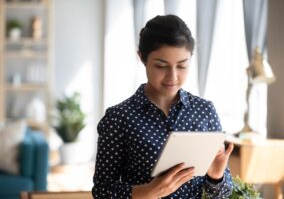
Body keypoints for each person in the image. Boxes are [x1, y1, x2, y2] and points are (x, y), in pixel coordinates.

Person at [92, 14, 234, 198]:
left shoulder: (205, 111)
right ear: (142, 58)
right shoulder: (118, 117)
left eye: (182, 66)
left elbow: (222, 194)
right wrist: (147, 192)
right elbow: (102, 190)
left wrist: (216, 176)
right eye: (161, 66)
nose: (172, 77)